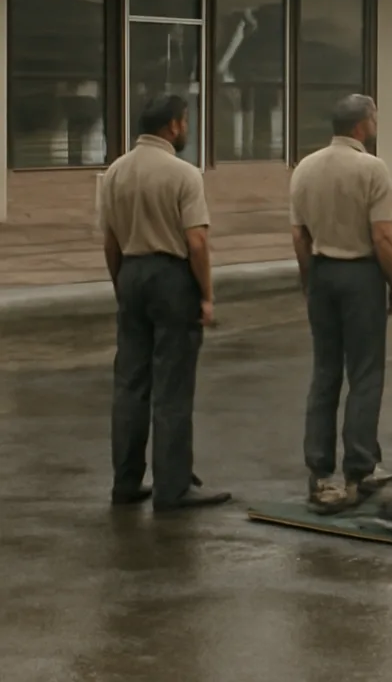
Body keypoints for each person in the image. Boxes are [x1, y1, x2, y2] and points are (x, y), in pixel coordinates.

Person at [99, 93, 231, 512]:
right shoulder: (183, 174)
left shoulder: (114, 172)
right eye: (185, 122)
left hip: (131, 272)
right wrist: (206, 295)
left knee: (130, 384)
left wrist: (121, 284)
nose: (186, 129)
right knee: (173, 386)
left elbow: (110, 239)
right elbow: (197, 241)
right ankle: (173, 487)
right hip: (171, 278)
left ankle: (126, 481)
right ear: (173, 125)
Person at [289, 93, 392, 514]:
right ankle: (360, 471)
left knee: (324, 374)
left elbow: (299, 236)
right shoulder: (373, 169)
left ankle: (319, 475)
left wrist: (309, 281)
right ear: (363, 125)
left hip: (321, 271)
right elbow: (383, 237)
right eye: (374, 117)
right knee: (365, 373)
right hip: (360, 275)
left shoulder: (305, 167)